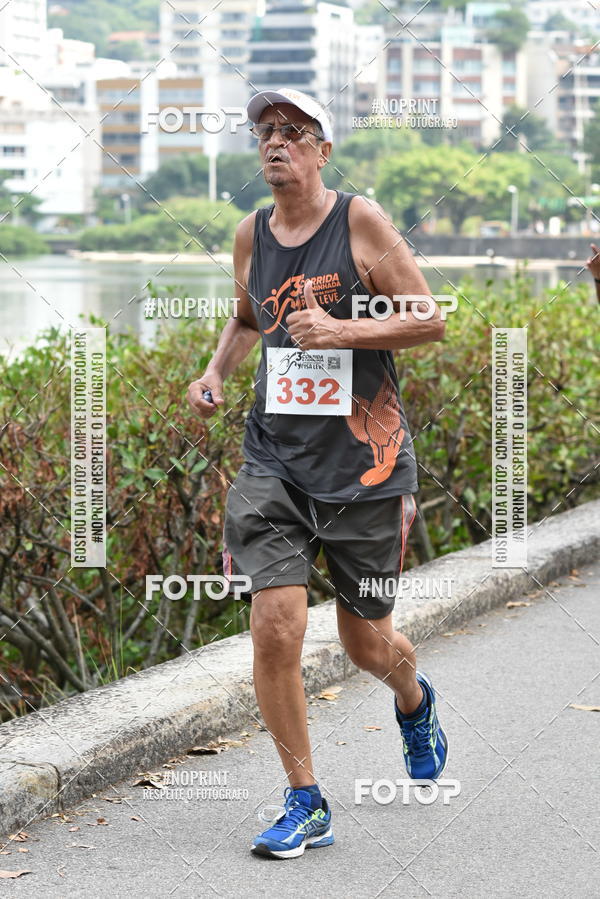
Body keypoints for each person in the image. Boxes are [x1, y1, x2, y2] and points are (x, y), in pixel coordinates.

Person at [187, 87, 448, 860]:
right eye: (266, 132)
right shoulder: (250, 233)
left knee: (368, 644)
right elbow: (248, 317)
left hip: (365, 468)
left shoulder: (359, 221)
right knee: (276, 624)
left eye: (294, 132)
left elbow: (429, 317)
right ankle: (306, 799)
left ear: (323, 150)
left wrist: (342, 328)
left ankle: (414, 697)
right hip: (274, 462)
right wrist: (216, 371)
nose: (276, 142)